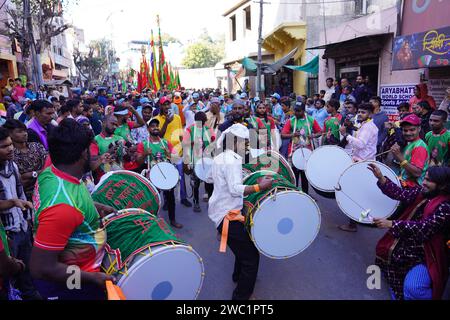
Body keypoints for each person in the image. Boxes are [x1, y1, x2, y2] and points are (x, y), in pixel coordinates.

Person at [29, 119, 114, 300]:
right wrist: (92, 278)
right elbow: (41, 268)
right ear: (83, 154)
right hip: (71, 284)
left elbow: (71, 200)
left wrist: (95, 207)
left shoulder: (52, 172)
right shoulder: (63, 208)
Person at [206, 123, 273, 300]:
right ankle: (241, 297)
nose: (247, 146)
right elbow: (235, 189)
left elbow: (211, 178)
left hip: (222, 213)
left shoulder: (220, 156)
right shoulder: (232, 159)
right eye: (245, 142)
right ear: (235, 141)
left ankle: (238, 277)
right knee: (251, 258)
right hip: (228, 216)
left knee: (242, 251)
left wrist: (245, 178)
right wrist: (260, 186)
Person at [369, 163, 450, 300]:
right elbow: (401, 193)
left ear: (442, 185)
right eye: (425, 178)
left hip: (428, 252)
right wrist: (381, 177)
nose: (424, 182)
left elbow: (425, 228)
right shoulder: (423, 192)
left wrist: (392, 223)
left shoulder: (446, 206)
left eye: (429, 180)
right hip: (409, 241)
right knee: (385, 253)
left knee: (414, 288)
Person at [0, 126, 41, 300]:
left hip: (21, 226)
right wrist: (12, 203)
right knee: (9, 276)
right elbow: (15, 199)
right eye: (4, 146)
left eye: (10, 144)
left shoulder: (13, 165)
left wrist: (27, 217)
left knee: (27, 270)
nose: (10, 149)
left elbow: (20, 193)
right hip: (6, 233)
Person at [338, 103, 379, 233]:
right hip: (362, 162)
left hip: (362, 164)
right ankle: (360, 218)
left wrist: (346, 135)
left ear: (370, 114)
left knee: (355, 193)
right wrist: (353, 128)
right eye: (359, 111)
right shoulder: (366, 125)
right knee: (360, 193)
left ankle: (353, 224)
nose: (360, 114)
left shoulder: (368, 127)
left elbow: (361, 144)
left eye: (363, 112)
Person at [136, 118, 183, 228]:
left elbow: (176, 159)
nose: (155, 128)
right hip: (152, 176)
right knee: (153, 200)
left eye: (157, 126)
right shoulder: (143, 144)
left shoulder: (166, 143)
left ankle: (173, 220)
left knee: (170, 198)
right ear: (148, 129)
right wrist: (144, 154)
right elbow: (138, 162)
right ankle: (153, 223)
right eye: (152, 126)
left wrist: (169, 154)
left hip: (166, 174)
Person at [155, 97, 191, 208]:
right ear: (160, 106)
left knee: (181, 177)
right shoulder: (156, 119)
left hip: (177, 152)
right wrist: (166, 122)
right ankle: (167, 201)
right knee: (166, 177)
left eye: (168, 104)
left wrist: (185, 152)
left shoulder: (177, 118)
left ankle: (183, 198)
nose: (166, 107)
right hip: (164, 153)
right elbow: (158, 136)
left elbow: (181, 135)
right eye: (164, 104)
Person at [282, 102, 321, 192]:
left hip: (307, 151)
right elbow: (283, 134)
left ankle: (305, 194)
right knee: (294, 174)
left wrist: (313, 136)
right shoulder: (291, 121)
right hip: (294, 151)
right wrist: (293, 134)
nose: (296, 113)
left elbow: (319, 132)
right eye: (295, 110)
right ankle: (294, 193)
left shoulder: (311, 120)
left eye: (298, 111)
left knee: (305, 175)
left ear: (303, 111)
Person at [3, 120, 47, 202]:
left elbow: (48, 166)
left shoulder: (36, 146)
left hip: (44, 188)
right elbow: (20, 180)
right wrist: (38, 173)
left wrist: (30, 174)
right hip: (24, 197)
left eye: (25, 130)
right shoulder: (10, 154)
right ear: (10, 134)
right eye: (20, 132)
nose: (25, 133)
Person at [183, 112, 215, 212]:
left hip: (207, 160)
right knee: (195, 184)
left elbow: (214, 142)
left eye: (202, 122)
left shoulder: (208, 129)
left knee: (209, 182)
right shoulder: (189, 130)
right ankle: (196, 202)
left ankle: (210, 201)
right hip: (195, 161)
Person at [391, 114, 430, 188]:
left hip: (413, 188)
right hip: (406, 184)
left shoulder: (419, 147)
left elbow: (417, 173)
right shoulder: (410, 143)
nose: (408, 133)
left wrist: (399, 156)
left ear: (419, 129)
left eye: (412, 130)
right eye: (405, 130)